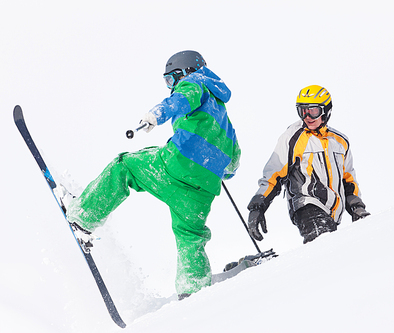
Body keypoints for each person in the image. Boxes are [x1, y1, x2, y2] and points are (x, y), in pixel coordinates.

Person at [66, 50, 241, 300]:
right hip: (202, 190)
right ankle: (194, 292)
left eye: (172, 79)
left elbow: (180, 99)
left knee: (124, 166)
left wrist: (155, 116)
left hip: (175, 167)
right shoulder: (223, 116)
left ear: (185, 73)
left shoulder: (195, 82)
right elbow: (233, 163)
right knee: (190, 236)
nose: (171, 86)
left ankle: (84, 216)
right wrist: (215, 169)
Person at [247, 85, 369, 244]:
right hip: (306, 204)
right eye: (302, 111)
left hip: (333, 211)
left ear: (326, 110)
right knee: (322, 242)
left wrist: (356, 208)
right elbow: (274, 174)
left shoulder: (340, 142)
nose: (307, 117)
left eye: (313, 111)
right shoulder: (293, 137)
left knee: (330, 248)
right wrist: (258, 207)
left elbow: (348, 180)